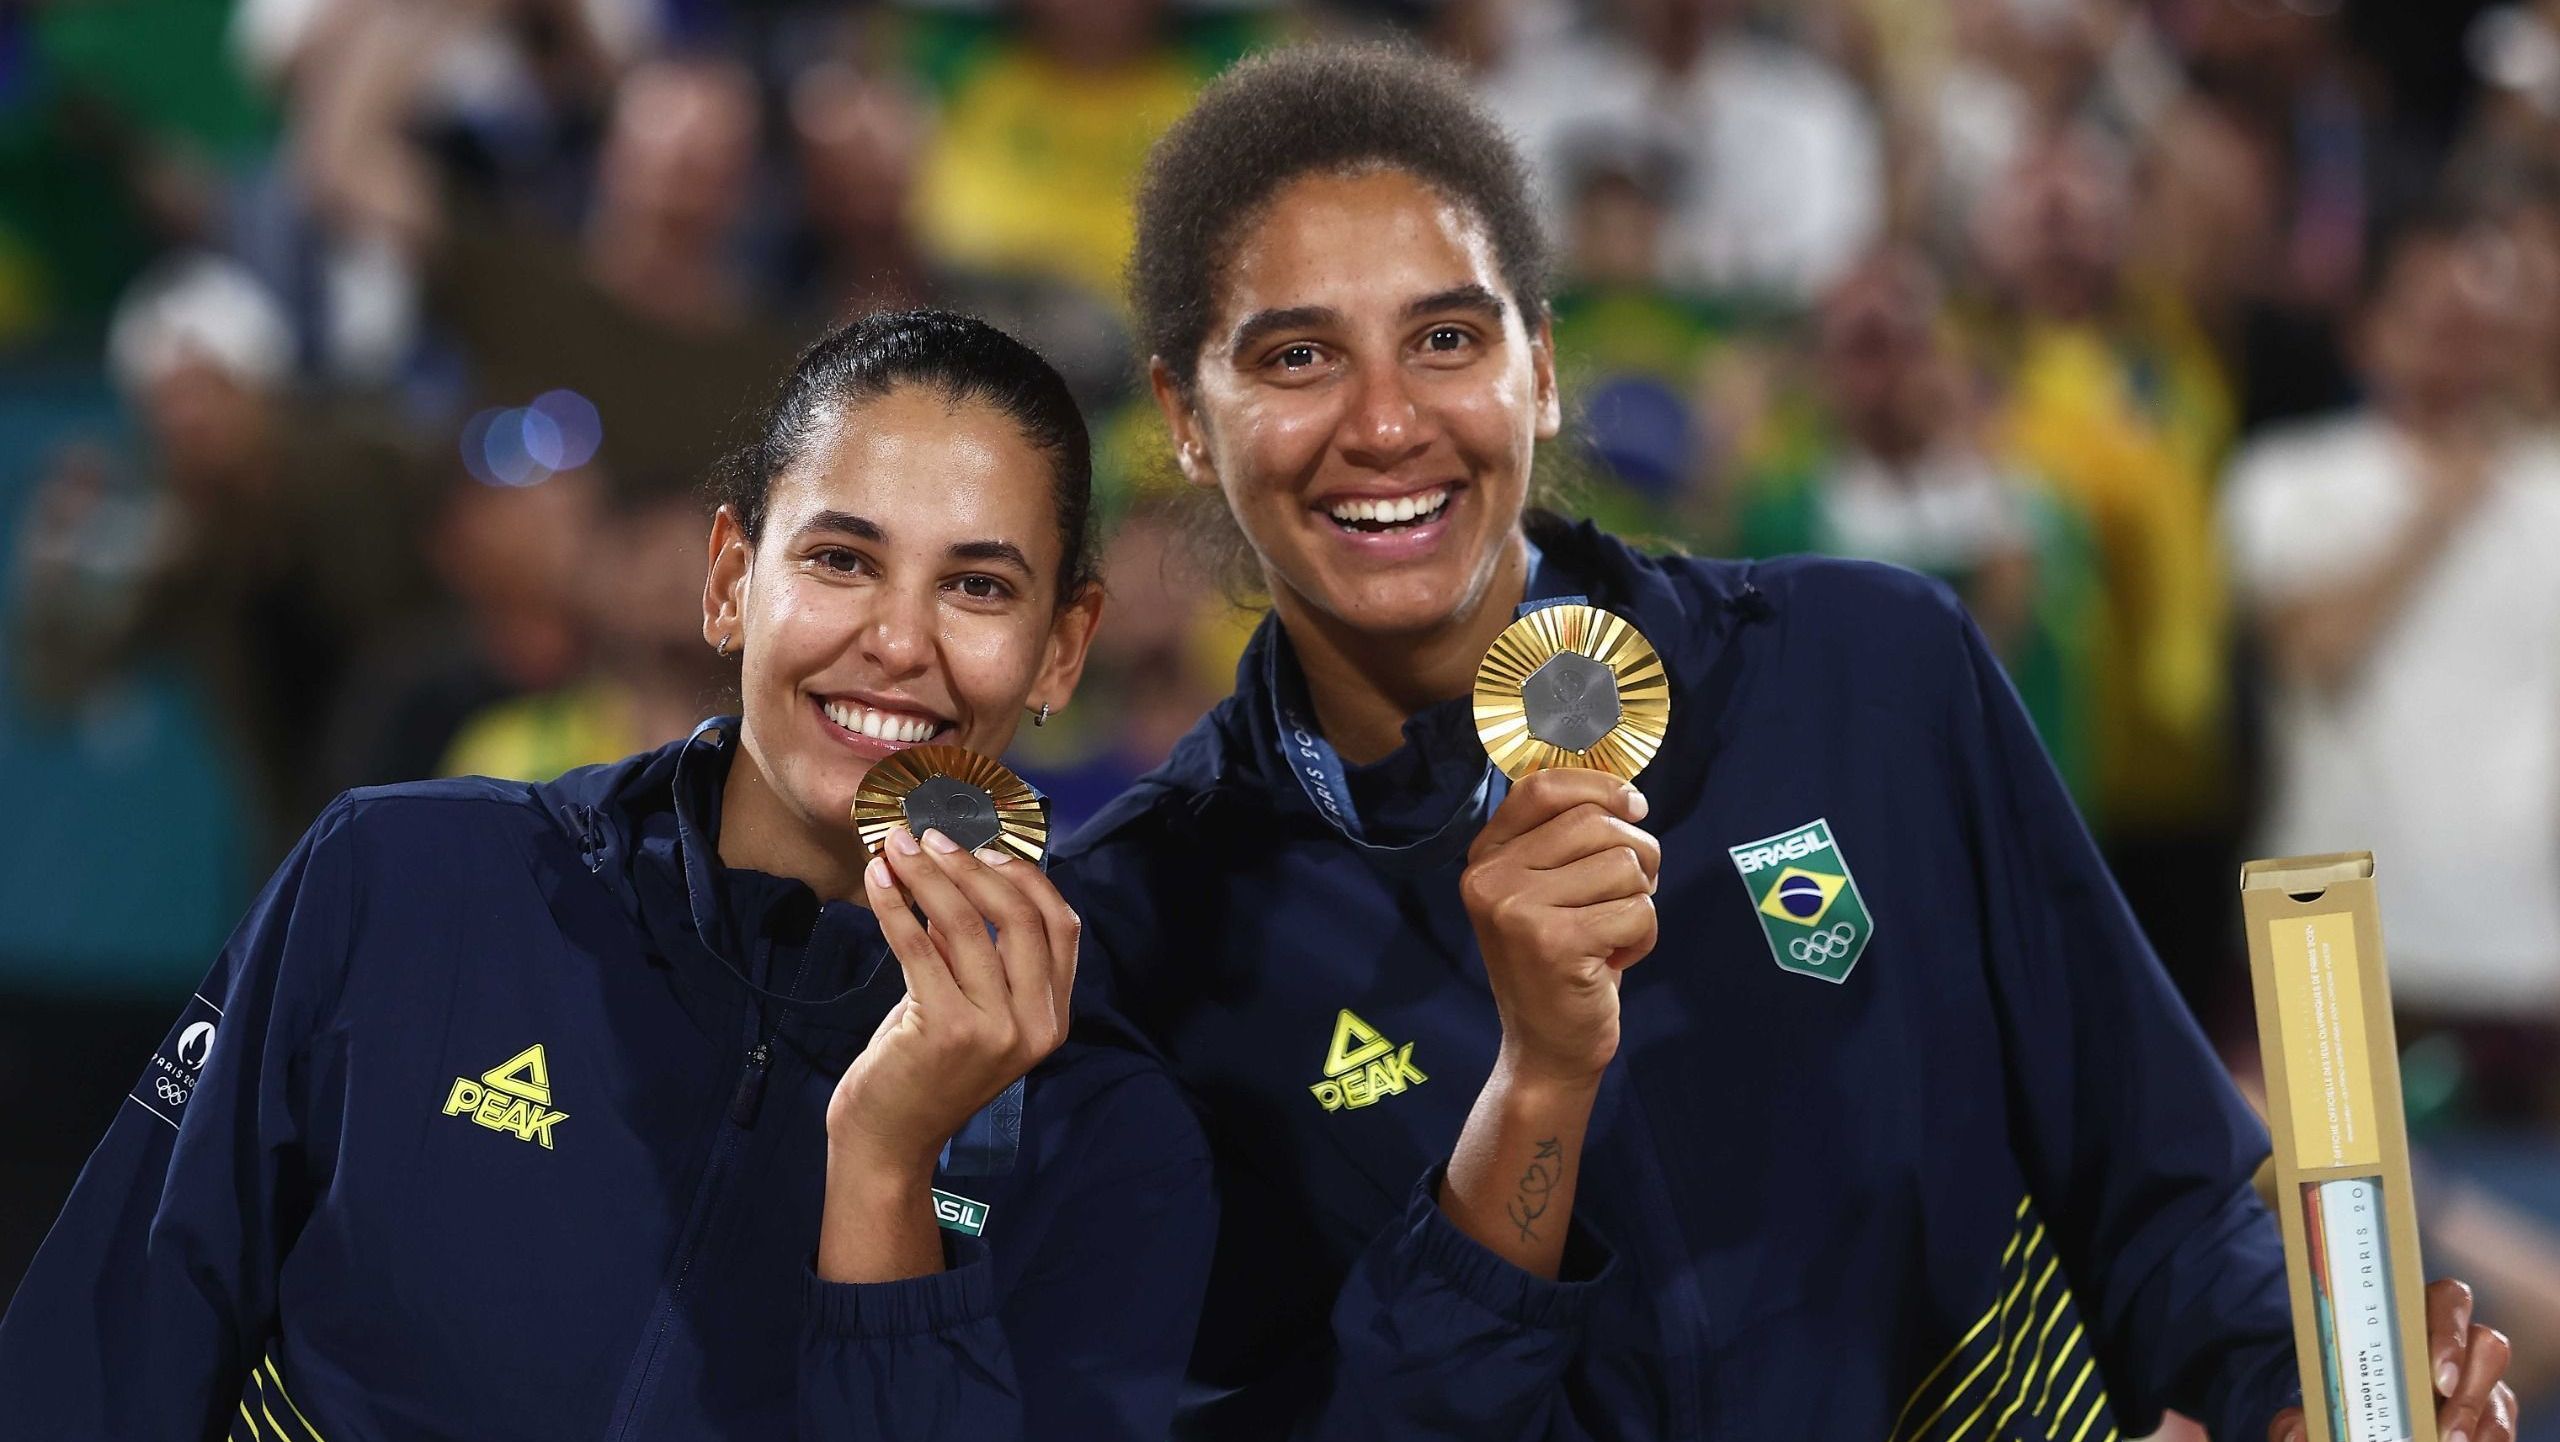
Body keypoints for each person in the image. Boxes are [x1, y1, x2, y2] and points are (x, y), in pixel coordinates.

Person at [1053, 44, 2519, 1442]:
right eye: (1298, 355)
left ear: (1543, 367)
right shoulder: (1142, 932)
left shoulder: (1873, 672)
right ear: (1188, 415)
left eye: (1447, 337)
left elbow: (2165, 1191)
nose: (1385, 421)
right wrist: (1537, 1092)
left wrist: (2301, 1383)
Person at [0, 309, 1214, 1438]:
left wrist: (888, 1166)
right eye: (841, 559)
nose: (897, 641)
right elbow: (102, 1356)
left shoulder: (1109, 1139)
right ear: (732, 578)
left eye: (978, 586)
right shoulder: (402, 879)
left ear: (1062, 647)